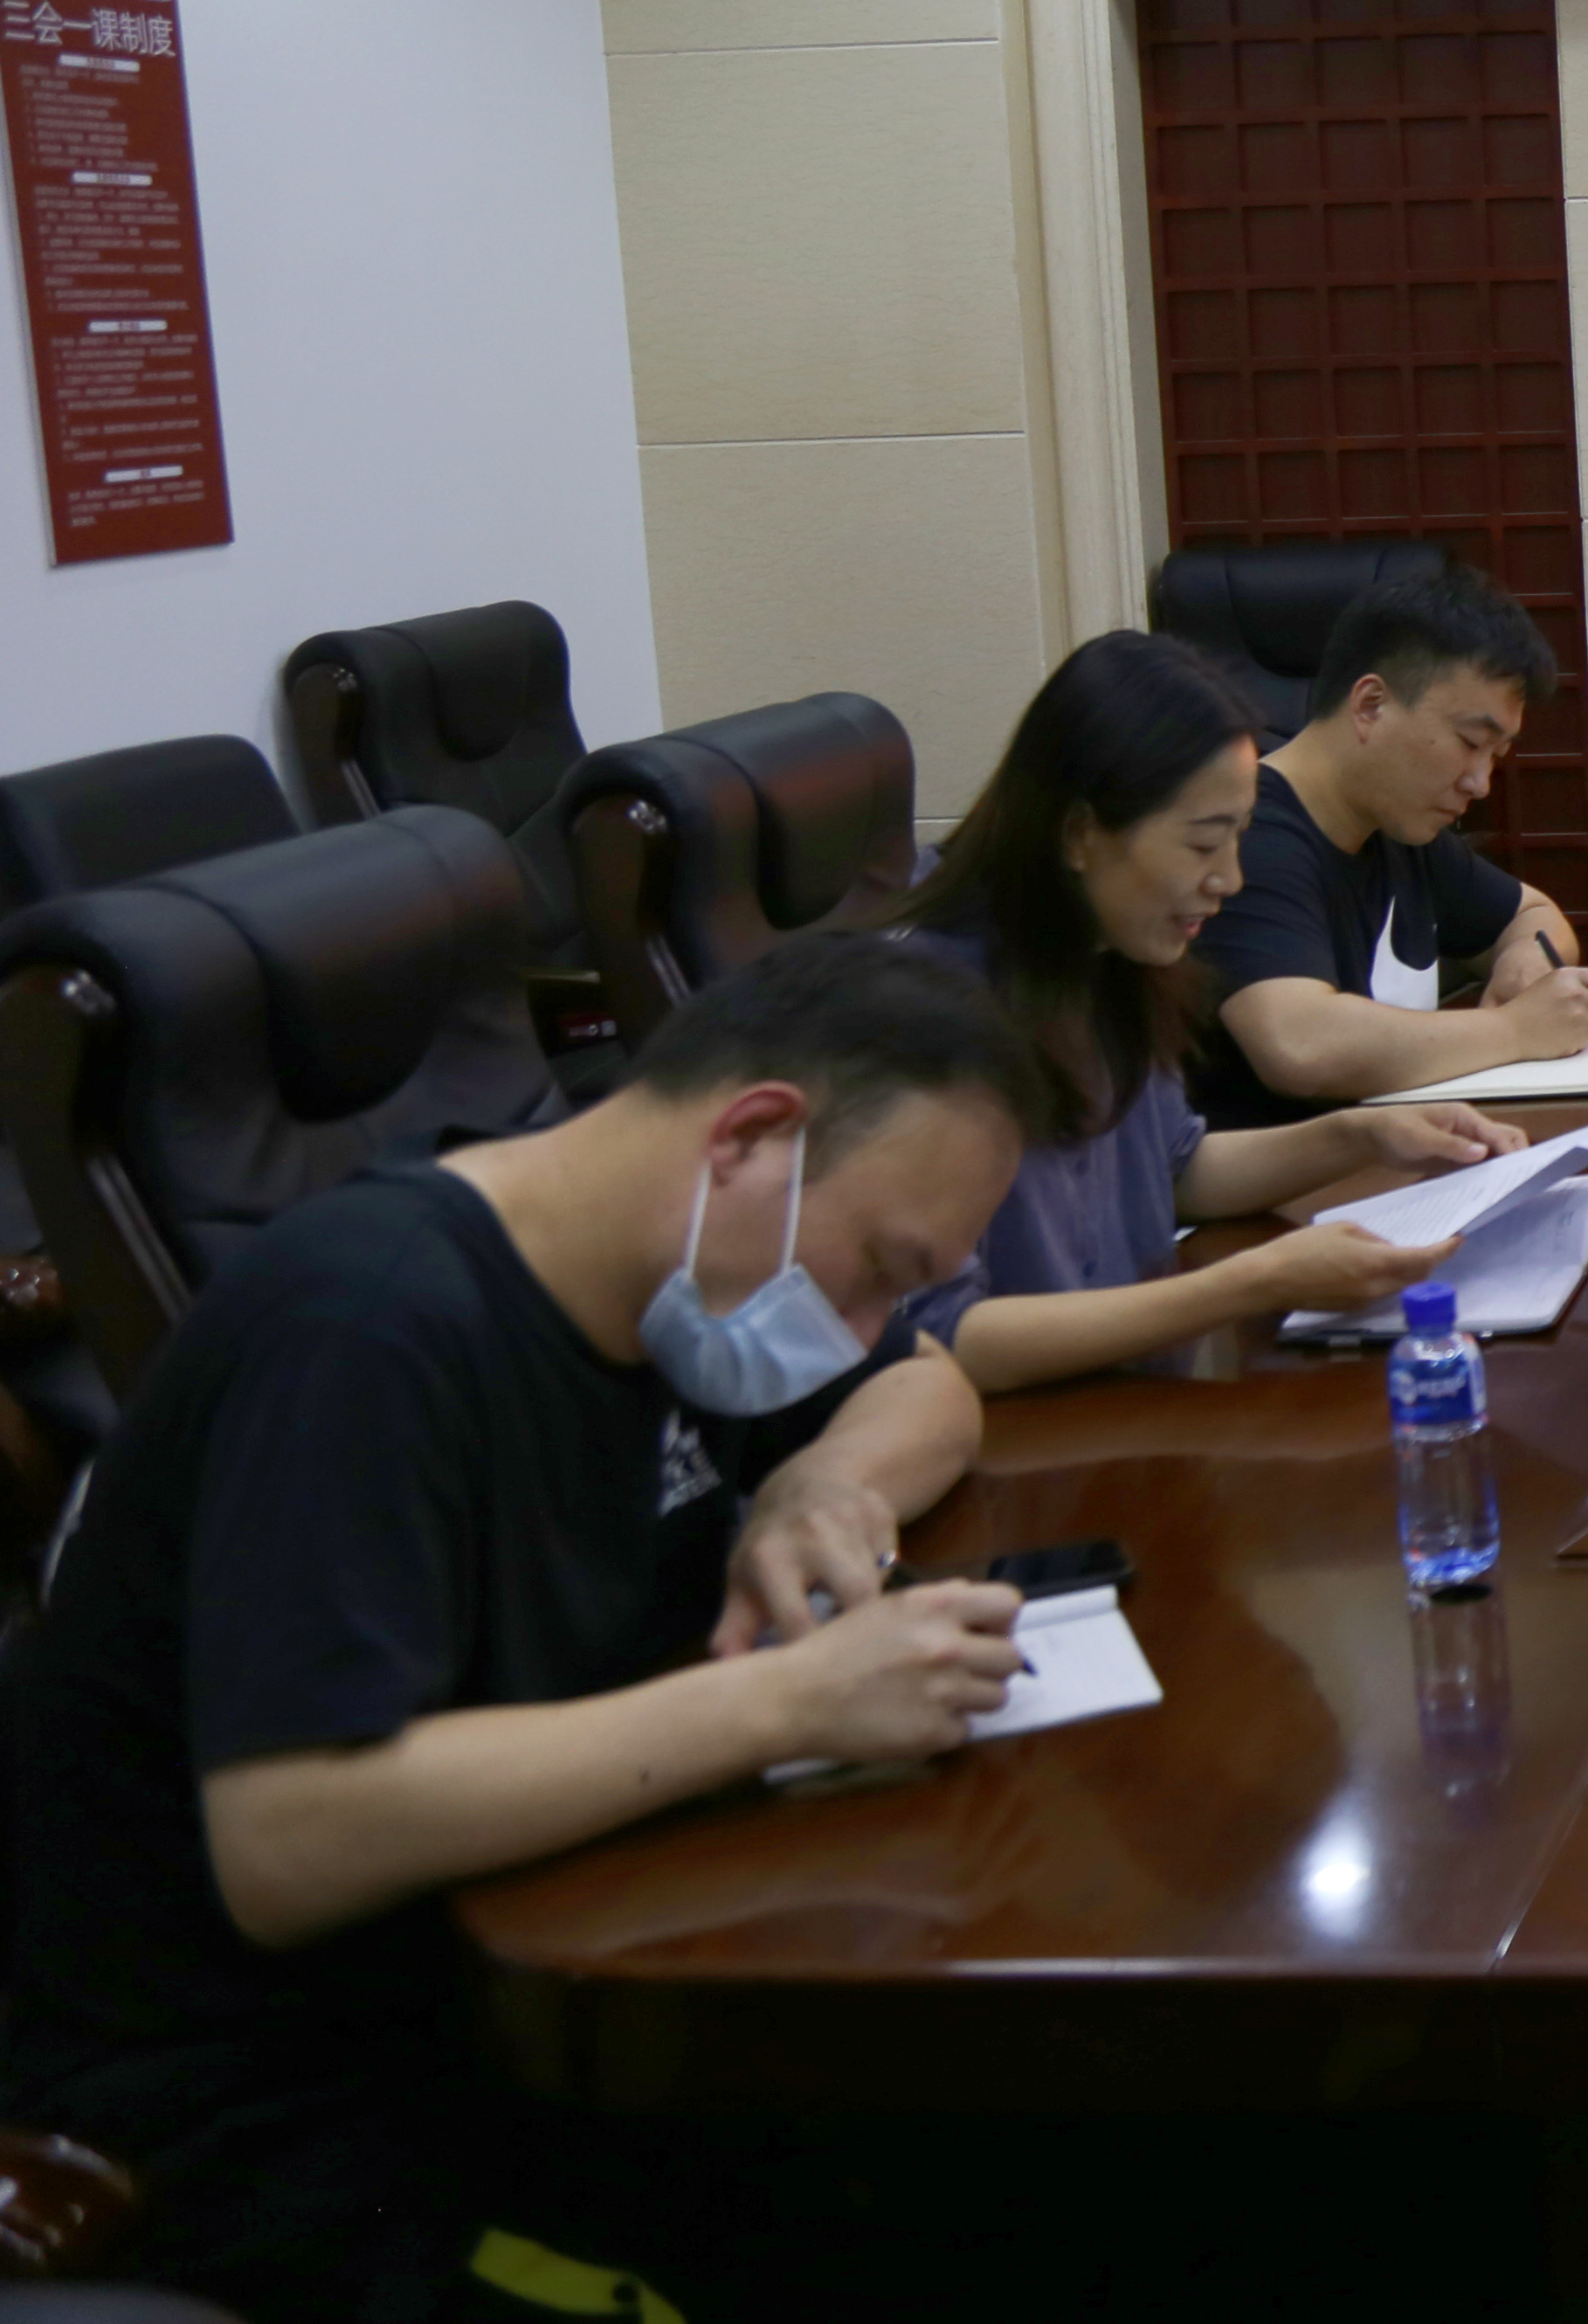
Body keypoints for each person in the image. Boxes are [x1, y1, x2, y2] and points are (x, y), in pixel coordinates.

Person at [0, 932, 1068, 2317]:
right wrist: (790, 1703)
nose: (861, 1324)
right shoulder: (371, 1330)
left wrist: (822, 1482)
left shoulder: (680, 1277)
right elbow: (292, 1839)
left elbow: (926, 1388)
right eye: (877, 1264)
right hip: (288, 2108)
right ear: (751, 1137)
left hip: (561, 1982)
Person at [891, 630, 1531, 1391]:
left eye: (1237, 840)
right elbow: (939, 1340)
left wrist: (1363, 1136)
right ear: (1079, 834)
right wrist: (1251, 1283)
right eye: (1202, 846)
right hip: (1022, 1432)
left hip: (1128, 1400)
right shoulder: (924, 1009)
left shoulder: (1110, 952)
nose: (1229, 880)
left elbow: (1176, 1169)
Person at [1192, 563, 1588, 1127]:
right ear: (1371, 705)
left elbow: (1533, 914)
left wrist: (1525, 962)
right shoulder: (1248, 838)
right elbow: (1299, 1046)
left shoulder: (1397, 826)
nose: (1480, 783)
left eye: (1496, 756)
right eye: (1470, 742)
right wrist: (1513, 1030)